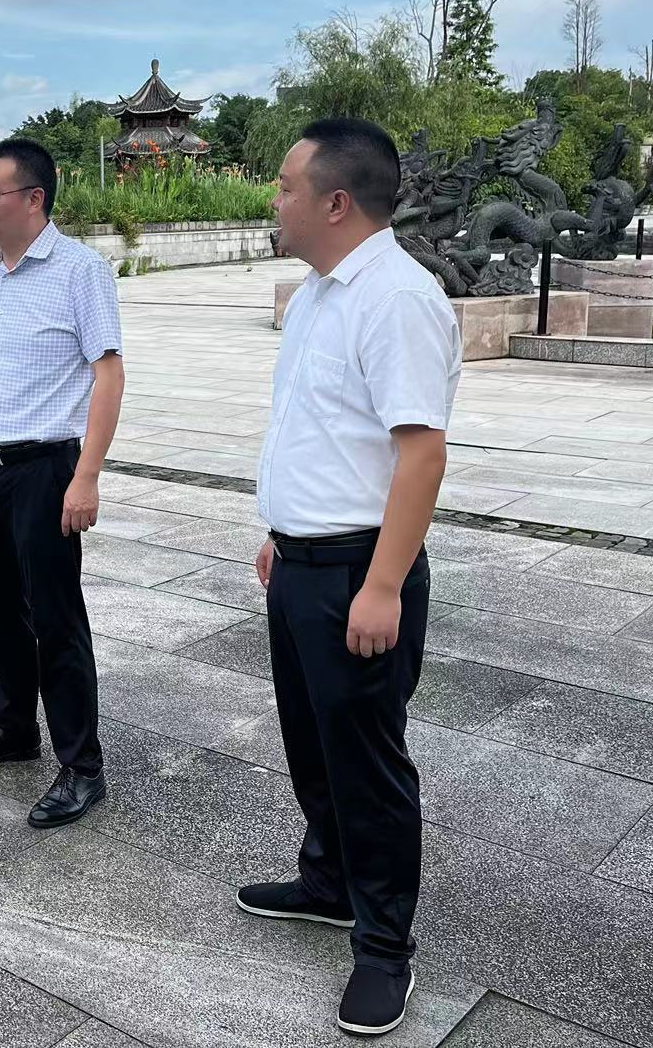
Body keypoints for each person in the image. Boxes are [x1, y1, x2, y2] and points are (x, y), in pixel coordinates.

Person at [239, 119, 460, 1037]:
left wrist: (381, 585)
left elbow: (421, 455)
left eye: (285, 186)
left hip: (359, 573)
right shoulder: (320, 296)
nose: (275, 199)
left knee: (369, 766)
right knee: (313, 742)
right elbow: (321, 431)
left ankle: (384, 949)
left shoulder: (397, 298)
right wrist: (282, 532)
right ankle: (328, 882)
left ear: (336, 202)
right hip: (301, 562)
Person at [0, 137, 124, 829]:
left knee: (55, 617)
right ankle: (15, 728)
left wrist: (87, 475)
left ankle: (82, 766)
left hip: (46, 470)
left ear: (34, 199)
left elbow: (109, 375)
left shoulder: (81, 272)